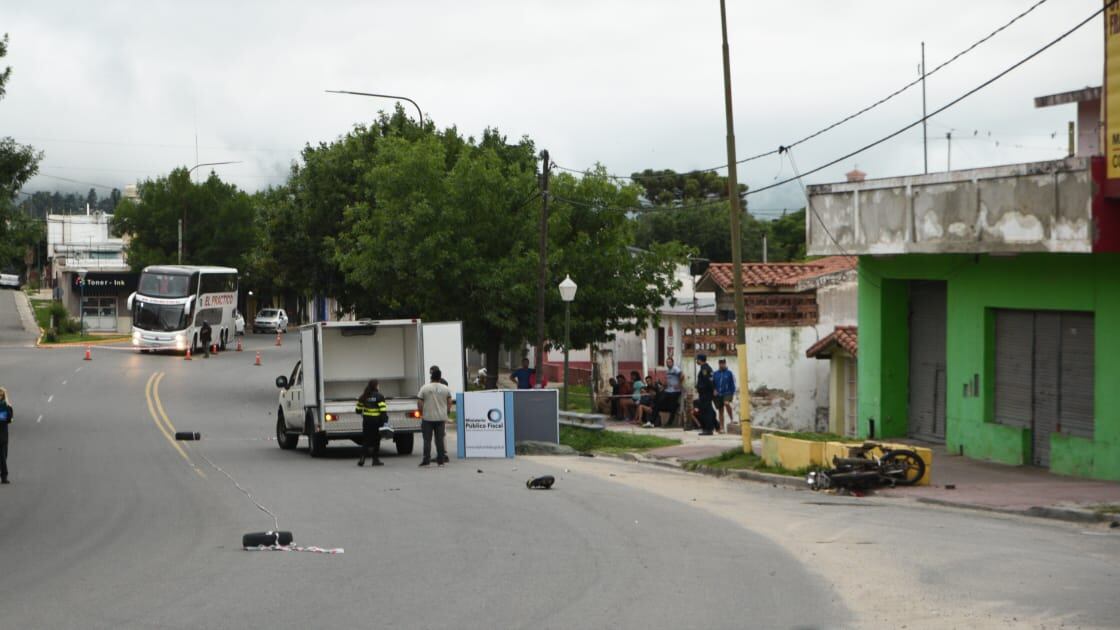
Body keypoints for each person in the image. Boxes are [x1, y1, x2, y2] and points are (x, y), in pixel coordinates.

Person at [417, 368, 453, 466]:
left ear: (431, 376)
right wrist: (447, 411)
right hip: (441, 418)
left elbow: (420, 401)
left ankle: (426, 460)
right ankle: (441, 461)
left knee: (427, 440)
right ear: (440, 377)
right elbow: (449, 401)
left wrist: (421, 412)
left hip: (428, 418)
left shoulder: (425, 388)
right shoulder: (445, 388)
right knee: (439, 440)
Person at [355, 379, 391, 467]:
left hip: (367, 422)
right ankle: (375, 460)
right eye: (378, 385)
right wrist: (385, 422)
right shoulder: (379, 396)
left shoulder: (363, 396)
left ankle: (362, 458)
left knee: (366, 440)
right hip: (377, 422)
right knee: (376, 440)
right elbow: (383, 411)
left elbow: (358, 410)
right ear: (376, 386)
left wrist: (364, 413)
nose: (379, 386)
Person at [713, 358, 737, 433]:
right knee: (720, 411)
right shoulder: (715, 373)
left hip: (727, 392)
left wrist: (732, 393)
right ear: (718, 364)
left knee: (726, 403)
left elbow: (733, 383)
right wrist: (714, 390)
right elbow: (712, 383)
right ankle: (721, 427)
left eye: (723, 363)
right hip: (718, 394)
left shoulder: (729, 373)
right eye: (720, 363)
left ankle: (731, 419)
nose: (721, 365)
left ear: (725, 364)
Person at [695, 354, 717, 435]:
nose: (696, 361)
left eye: (697, 359)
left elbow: (707, 381)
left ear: (700, 360)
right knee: (709, 410)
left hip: (705, 393)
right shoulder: (708, 368)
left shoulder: (704, 368)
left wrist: (699, 386)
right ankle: (715, 426)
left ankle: (708, 429)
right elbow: (710, 380)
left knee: (705, 411)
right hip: (707, 393)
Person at [661, 357, 683, 427]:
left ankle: (669, 423)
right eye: (667, 362)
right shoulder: (667, 371)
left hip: (675, 391)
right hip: (668, 390)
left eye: (669, 362)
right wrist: (664, 385)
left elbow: (682, 375)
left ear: (672, 362)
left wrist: (679, 384)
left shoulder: (675, 369)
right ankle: (675, 405)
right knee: (661, 400)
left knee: (672, 407)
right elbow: (668, 380)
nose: (668, 363)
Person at [0, 387, 11, 484]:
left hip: (3, 435)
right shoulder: (5, 406)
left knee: (4, 455)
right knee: (2, 456)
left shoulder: (5, 406)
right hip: (3, 435)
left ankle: (4, 475)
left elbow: (8, 419)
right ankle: (4, 475)